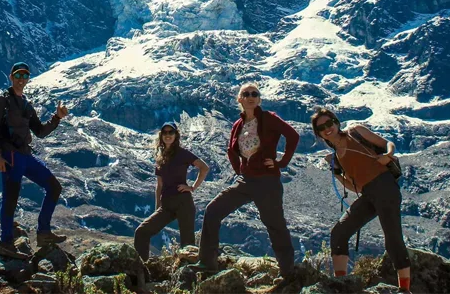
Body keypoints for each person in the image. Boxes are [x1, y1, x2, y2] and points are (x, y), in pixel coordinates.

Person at [194, 83, 299, 284]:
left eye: (255, 94)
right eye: (246, 94)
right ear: (239, 99)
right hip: (246, 180)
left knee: (275, 225)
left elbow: (293, 136)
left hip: (268, 181)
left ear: (259, 99)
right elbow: (231, 151)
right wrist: (239, 170)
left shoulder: (269, 118)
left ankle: (288, 273)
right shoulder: (237, 125)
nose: (251, 96)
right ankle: (207, 262)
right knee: (213, 210)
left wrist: (281, 162)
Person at [311, 108, 411, 293]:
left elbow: (387, 143)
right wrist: (335, 171)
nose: (327, 128)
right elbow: (353, 186)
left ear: (336, 122)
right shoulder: (337, 156)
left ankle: (404, 289)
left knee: (393, 238)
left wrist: (387, 156)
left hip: (385, 187)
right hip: (368, 194)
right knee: (339, 232)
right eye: (321, 127)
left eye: (329, 123)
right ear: (319, 133)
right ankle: (341, 284)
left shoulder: (356, 132)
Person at [0, 62, 70, 259]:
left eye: (25, 76)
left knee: (54, 187)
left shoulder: (26, 105)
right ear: (11, 77)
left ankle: (43, 233)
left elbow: (39, 131)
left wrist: (56, 118)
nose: (21, 79)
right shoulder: (2, 101)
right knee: (11, 198)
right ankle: (5, 242)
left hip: (25, 155)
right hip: (9, 156)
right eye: (18, 76)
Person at [134, 122, 210, 261]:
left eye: (171, 132)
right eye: (165, 132)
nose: (168, 135)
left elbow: (204, 167)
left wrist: (192, 187)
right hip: (166, 204)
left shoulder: (183, 154)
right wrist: (158, 207)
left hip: (183, 202)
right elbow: (159, 185)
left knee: (187, 245)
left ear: (176, 135)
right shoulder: (160, 156)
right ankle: (142, 272)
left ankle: (189, 277)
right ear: (161, 135)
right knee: (141, 232)